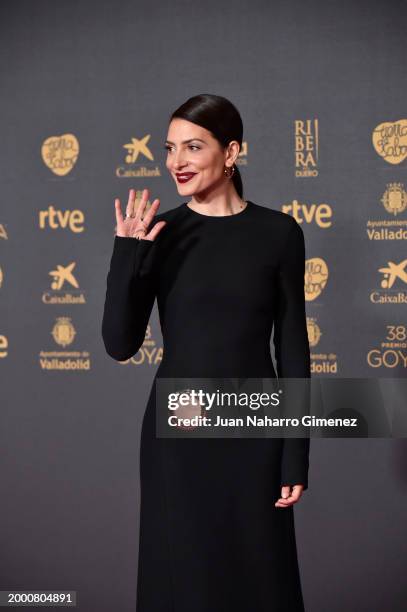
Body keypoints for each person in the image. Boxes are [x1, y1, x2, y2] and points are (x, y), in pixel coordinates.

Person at [101, 93, 311, 612]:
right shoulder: (161, 232)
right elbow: (119, 344)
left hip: (254, 427)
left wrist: (296, 451)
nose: (177, 162)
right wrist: (126, 251)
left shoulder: (279, 233)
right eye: (170, 149)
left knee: (261, 575)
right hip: (180, 431)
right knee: (183, 578)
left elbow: (292, 348)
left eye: (192, 147)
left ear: (232, 151)